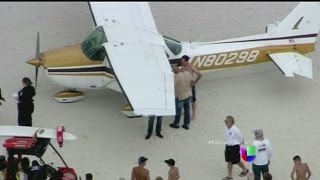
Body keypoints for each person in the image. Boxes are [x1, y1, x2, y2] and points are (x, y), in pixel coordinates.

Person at [223, 115, 249, 180]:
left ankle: (245, 169)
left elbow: (241, 139)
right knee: (229, 161)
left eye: (226, 121)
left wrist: (237, 145)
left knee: (237, 161)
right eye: (225, 121)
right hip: (228, 146)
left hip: (234, 147)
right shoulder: (226, 128)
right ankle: (229, 176)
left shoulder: (236, 130)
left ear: (231, 122)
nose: (225, 122)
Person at [170, 66, 193, 130]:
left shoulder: (176, 76)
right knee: (187, 110)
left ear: (175, 71)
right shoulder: (187, 73)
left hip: (181, 96)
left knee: (178, 111)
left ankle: (176, 124)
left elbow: (171, 84)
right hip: (188, 94)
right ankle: (186, 124)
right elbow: (191, 81)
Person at [180, 55, 202, 121]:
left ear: (186, 61)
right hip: (184, 85)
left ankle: (194, 114)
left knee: (193, 100)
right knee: (185, 99)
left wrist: (195, 82)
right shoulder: (183, 66)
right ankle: (185, 111)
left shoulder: (191, 66)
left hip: (190, 85)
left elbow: (200, 74)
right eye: (181, 61)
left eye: (183, 61)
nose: (181, 62)